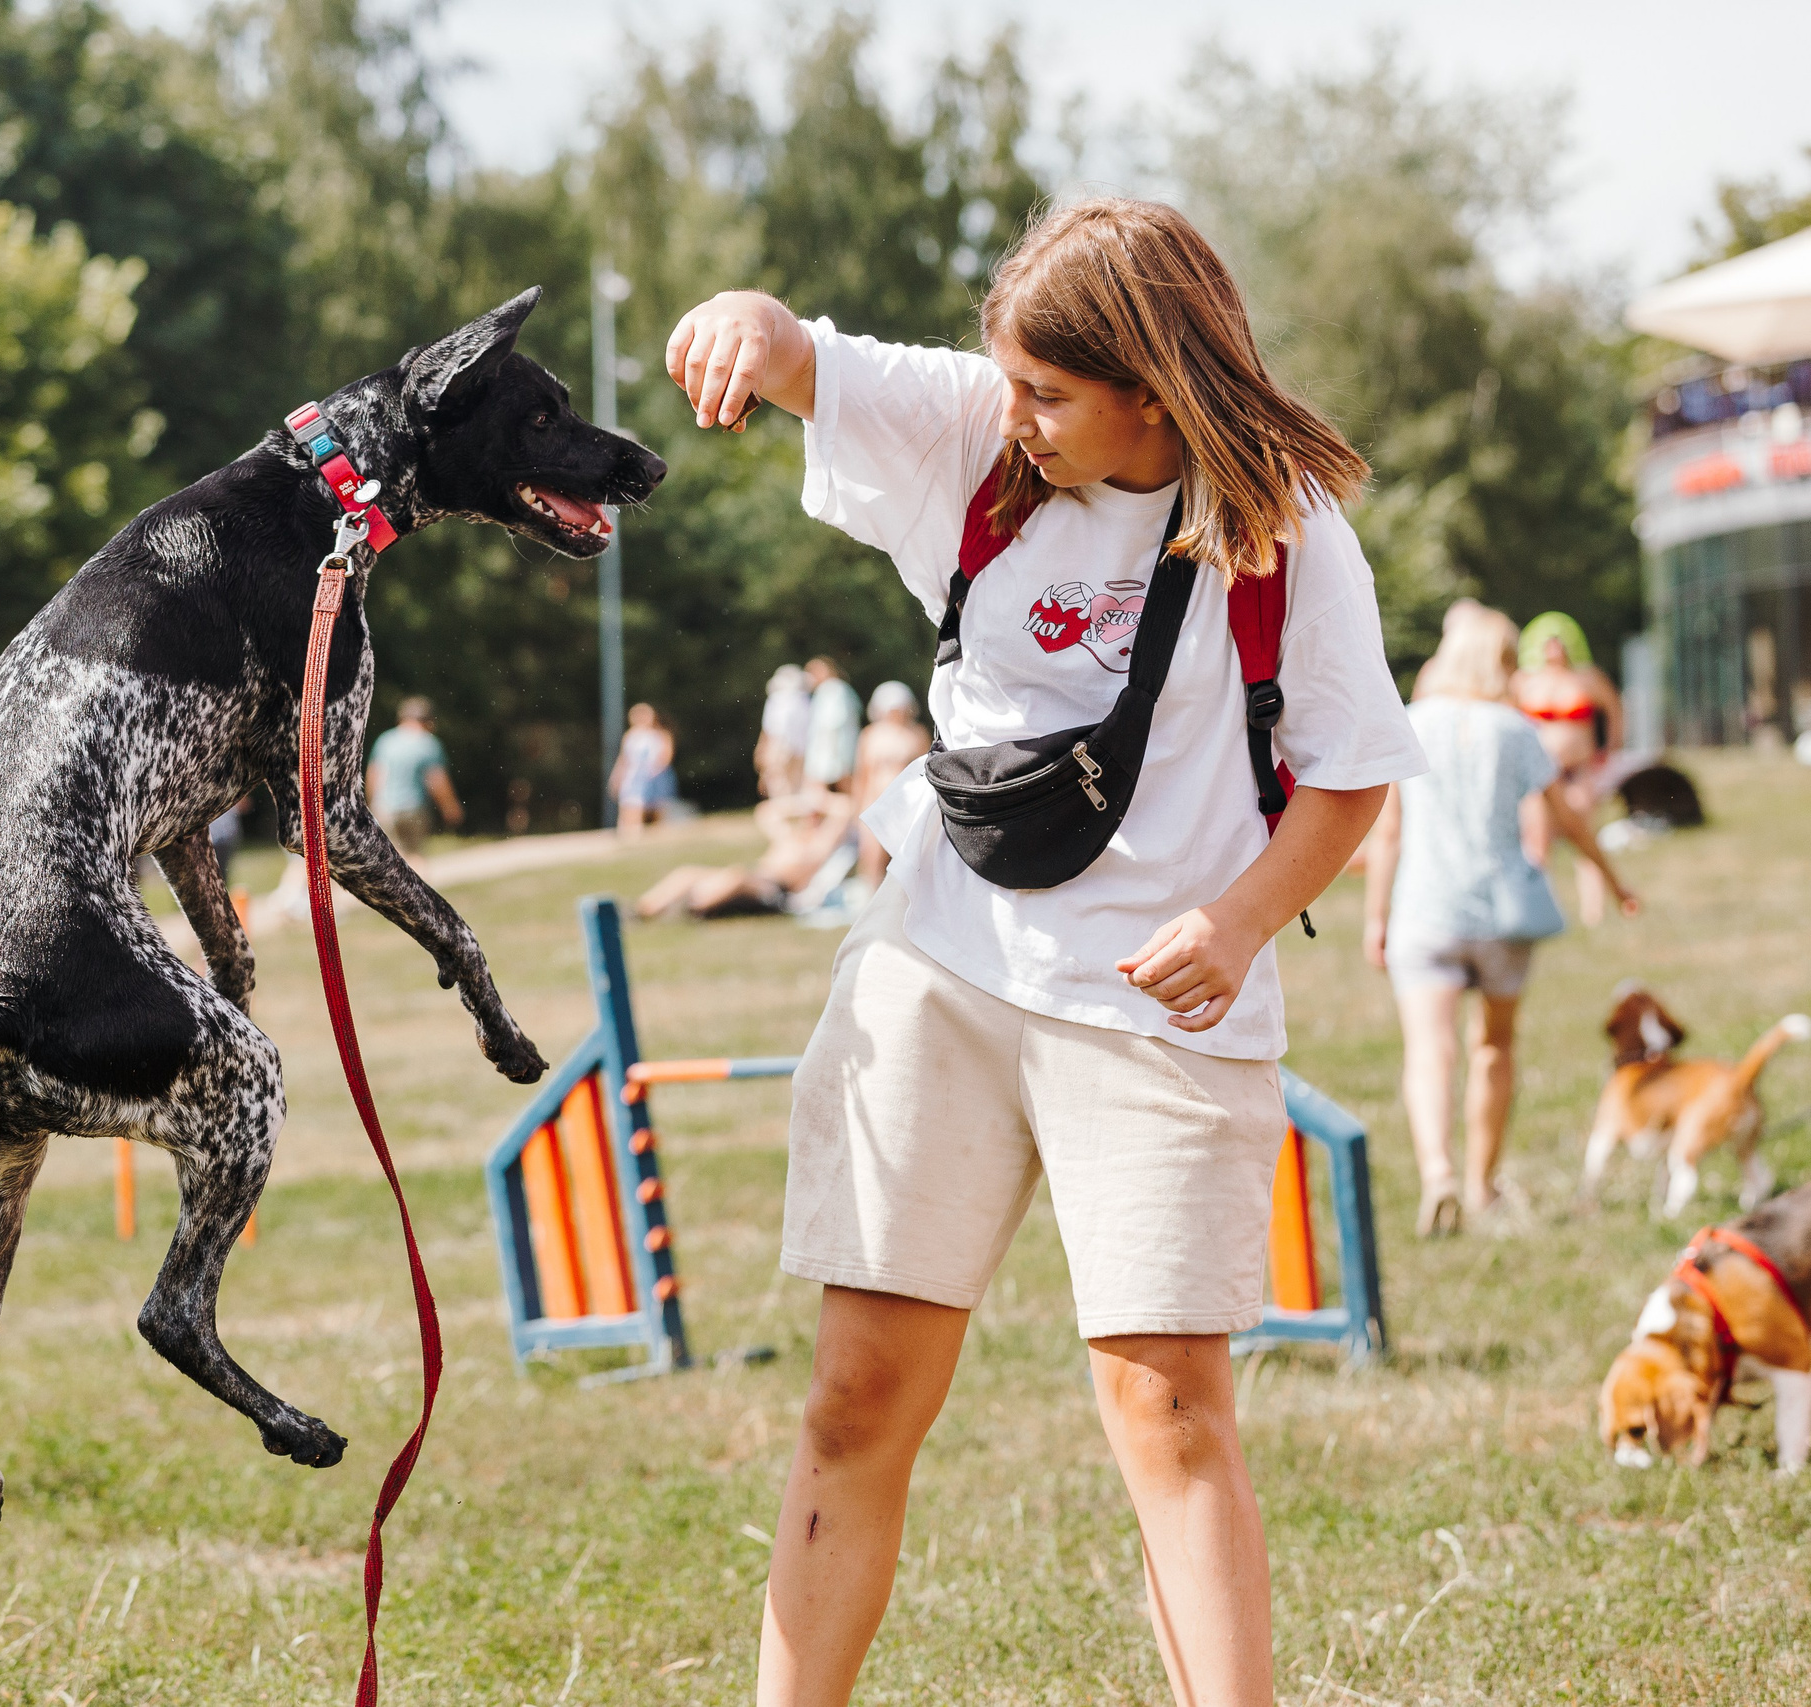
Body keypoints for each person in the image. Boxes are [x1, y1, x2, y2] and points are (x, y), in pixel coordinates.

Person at [666, 197, 1430, 1706]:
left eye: (1050, 394)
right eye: (1006, 380)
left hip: (1152, 1005)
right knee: (855, 1398)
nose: (1015, 418)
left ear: (1152, 385)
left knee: (1170, 1410)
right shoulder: (983, 437)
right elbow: (805, 354)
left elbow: (1349, 771)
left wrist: (1239, 917)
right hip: (939, 973)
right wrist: (749, 325)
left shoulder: (1282, 527)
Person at [1364, 608, 1638, 1235]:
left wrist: (1376, 917)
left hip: (1425, 911)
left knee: (1429, 1050)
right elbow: (1566, 817)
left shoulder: (1411, 725)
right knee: (1494, 1047)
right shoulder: (1514, 731)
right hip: (1500, 916)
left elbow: (1388, 834)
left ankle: (1436, 1174)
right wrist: (1615, 880)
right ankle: (1480, 1186)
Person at [1512, 611, 1625, 925]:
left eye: (1559, 643)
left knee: (1584, 836)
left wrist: (1608, 750)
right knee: (1537, 840)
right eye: (1548, 644)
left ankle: (1593, 912)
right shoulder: (1523, 681)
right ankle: (1539, 911)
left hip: (1578, 770)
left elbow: (1615, 711)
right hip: (1538, 773)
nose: (1555, 650)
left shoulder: (1588, 678)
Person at [636, 789, 861, 921]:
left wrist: (822, 800)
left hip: (777, 889)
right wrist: (801, 803)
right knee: (687, 873)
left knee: (736, 876)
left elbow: (845, 808)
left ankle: (690, 909)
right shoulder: (790, 837)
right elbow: (766, 812)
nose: (809, 818)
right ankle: (641, 911)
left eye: (815, 815)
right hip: (756, 873)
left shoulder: (820, 845)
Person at [850, 682, 932, 888]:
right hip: (876, 800)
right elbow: (862, 774)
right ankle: (869, 897)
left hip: (908, 803)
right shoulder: (870, 735)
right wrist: (857, 807)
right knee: (872, 854)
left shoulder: (917, 734)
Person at [365, 697, 463, 856]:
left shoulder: (385, 740)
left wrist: (372, 805)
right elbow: (437, 780)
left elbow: (374, 775)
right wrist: (450, 807)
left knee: (393, 858)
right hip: (414, 808)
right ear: (428, 721)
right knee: (416, 855)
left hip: (385, 808)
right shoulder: (428, 743)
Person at [608, 703, 676, 839]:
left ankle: (657, 837)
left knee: (657, 809)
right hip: (635, 777)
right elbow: (624, 759)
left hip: (655, 776)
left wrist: (654, 772)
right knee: (631, 806)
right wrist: (616, 778)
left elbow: (666, 756)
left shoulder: (660, 735)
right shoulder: (630, 736)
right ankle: (630, 836)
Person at [801, 658, 861, 791]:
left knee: (831, 788)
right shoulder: (835, 689)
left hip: (832, 751)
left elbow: (831, 725)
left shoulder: (833, 690)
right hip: (834, 751)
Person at [757, 664, 813, 798]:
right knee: (796, 785)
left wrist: (762, 751)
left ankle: (780, 813)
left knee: (779, 786)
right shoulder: (805, 701)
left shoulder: (776, 700)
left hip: (780, 748)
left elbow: (771, 729)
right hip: (802, 749)